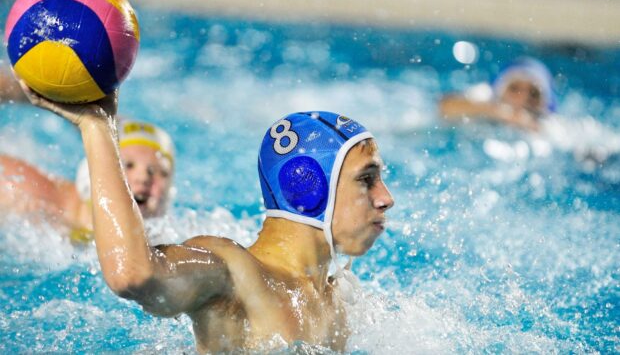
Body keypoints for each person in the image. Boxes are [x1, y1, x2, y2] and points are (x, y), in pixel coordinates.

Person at [20, 80, 394, 352]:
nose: (385, 198)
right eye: (367, 179)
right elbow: (133, 274)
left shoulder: (341, 301)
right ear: (308, 188)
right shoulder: (232, 274)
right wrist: (97, 126)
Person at [0, 71, 175, 241]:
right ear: (89, 174)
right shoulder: (36, 197)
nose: (144, 178)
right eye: (128, 165)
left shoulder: (164, 243)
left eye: (158, 171)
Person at [439, 57, 557, 131]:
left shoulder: (550, 124)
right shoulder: (485, 97)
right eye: (514, 88)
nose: (522, 98)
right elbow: (444, 107)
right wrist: (496, 111)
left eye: (533, 94)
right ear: (500, 90)